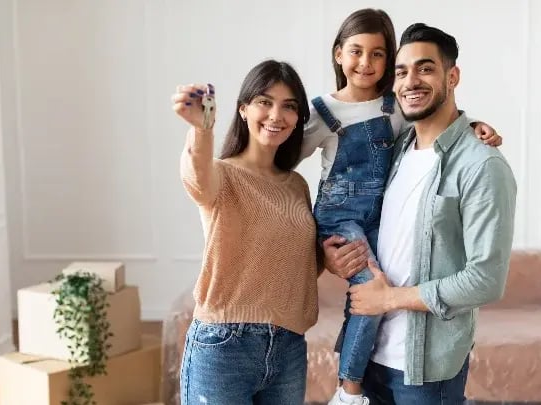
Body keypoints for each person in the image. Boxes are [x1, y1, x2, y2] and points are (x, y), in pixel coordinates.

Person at [297, 9, 503, 405]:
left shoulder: (471, 160)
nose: (409, 81)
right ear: (339, 54)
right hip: (375, 350)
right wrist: (322, 251)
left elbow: (486, 279)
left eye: (424, 69)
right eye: (402, 71)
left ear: (452, 76)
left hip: (423, 366)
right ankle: (349, 386)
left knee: (371, 288)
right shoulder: (396, 142)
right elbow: (285, 157)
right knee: (366, 284)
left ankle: (347, 388)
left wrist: (475, 124)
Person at [172, 60, 322, 405]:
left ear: (298, 118)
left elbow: (299, 265)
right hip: (224, 345)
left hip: (288, 348)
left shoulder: (296, 186)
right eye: (264, 102)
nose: (276, 115)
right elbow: (196, 177)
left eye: (289, 106)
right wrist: (201, 129)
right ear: (243, 109)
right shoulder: (222, 175)